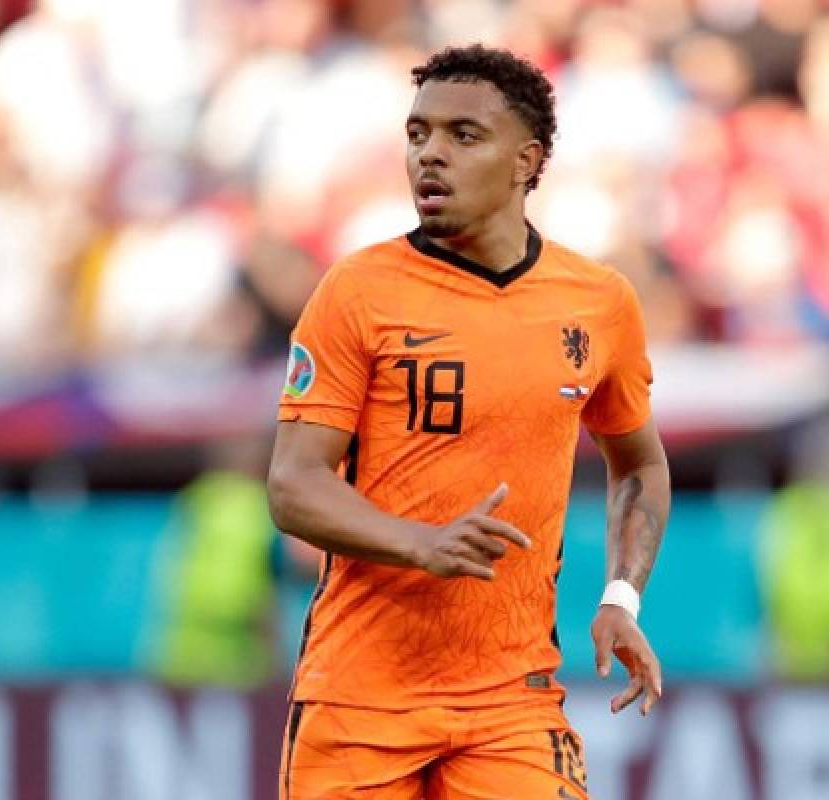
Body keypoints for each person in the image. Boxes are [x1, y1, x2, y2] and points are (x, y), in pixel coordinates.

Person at [266, 45, 671, 800]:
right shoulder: (358, 292)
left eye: (463, 135)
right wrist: (420, 543)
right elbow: (293, 485)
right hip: (359, 702)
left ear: (527, 161)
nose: (430, 154)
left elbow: (640, 464)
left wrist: (622, 597)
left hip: (511, 701)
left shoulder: (598, 302)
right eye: (418, 134)